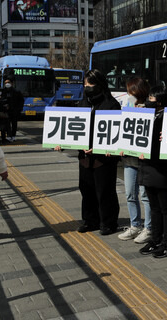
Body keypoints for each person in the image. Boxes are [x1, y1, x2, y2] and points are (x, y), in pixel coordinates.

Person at [56, 69, 121, 235]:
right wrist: (61, 142)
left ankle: (108, 222)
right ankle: (90, 221)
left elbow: (115, 134)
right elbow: (73, 129)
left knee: (105, 191)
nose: (87, 87)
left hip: (104, 158)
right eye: (85, 84)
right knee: (86, 190)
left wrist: (101, 148)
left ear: (100, 84)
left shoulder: (112, 105)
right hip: (85, 157)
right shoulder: (83, 103)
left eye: (90, 84)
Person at [137, 85, 167, 258]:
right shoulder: (148, 116)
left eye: (151, 98)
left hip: (164, 169)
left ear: (161, 101)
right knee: (154, 207)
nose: (148, 101)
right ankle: (155, 239)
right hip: (147, 167)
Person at [118, 77, 152, 244]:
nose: (129, 95)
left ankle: (149, 228)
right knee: (130, 194)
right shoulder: (126, 108)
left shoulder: (150, 109)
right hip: (129, 160)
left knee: (145, 196)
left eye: (131, 92)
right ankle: (135, 225)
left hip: (145, 162)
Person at [2, 79, 24, 143]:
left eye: (8, 82)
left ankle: (13, 136)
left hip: (15, 111)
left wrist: (19, 109)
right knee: (6, 124)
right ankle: (8, 136)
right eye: (5, 82)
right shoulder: (3, 91)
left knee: (14, 124)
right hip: (6, 111)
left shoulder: (16, 91)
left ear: (11, 83)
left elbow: (21, 101)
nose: (7, 84)